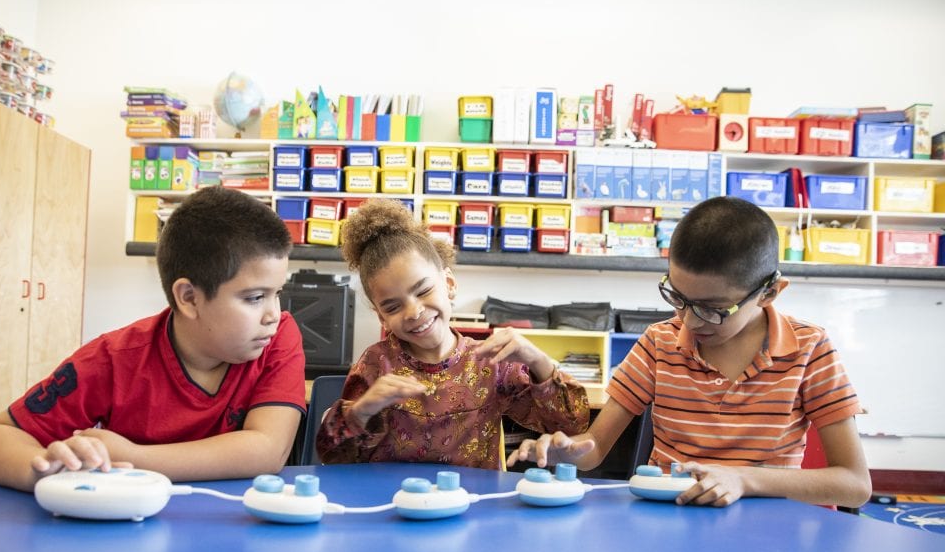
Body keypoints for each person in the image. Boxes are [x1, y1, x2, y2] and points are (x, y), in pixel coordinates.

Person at [509, 196, 872, 508]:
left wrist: (743, 480)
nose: (689, 321)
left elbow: (854, 486)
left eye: (713, 308)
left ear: (770, 292)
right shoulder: (658, 343)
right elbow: (596, 449)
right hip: (669, 519)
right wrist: (568, 451)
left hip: (766, 528)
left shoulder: (810, 349)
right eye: (678, 298)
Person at [0, 187, 306, 492]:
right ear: (189, 297)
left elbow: (266, 450)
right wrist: (49, 471)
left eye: (277, 293)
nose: (272, 314)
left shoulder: (278, 337)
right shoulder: (113, 359)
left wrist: (133, 457)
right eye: (254, 298)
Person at [316, 199, 590, 469]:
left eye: (423, 291)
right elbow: (334, 458)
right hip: (395, 504)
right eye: (392, 306)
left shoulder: (489, 362)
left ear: (448, 284)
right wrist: (362, 410)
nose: (413, 311)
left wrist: (536, 360)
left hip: (472, 505)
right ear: (381, 317)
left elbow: (572, 425)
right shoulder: (377, 364)